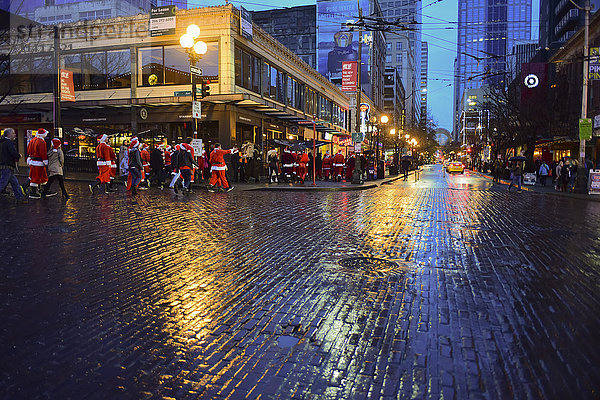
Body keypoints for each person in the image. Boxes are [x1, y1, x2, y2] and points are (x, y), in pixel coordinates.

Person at [0, 128, 26, 203]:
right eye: (13, 133)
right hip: (7, 166)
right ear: (8, 134)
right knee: (2, 184)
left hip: (4, 166)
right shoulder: (9, 143)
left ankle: (19, 198)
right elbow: (13, 153)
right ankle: (19, 198)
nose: (15, 134)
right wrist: (19, 155)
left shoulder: (2, 142)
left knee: (15, 183)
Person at [25, 128, 49, 199]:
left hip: (32, 161)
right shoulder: (42, 142)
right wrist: (45, 161)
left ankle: (43, 190)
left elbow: (28, 150)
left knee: (41, 176)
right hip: (39, 162)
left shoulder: (32, 140)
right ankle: (33, 193)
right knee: (36, 178)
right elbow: (43, 153)